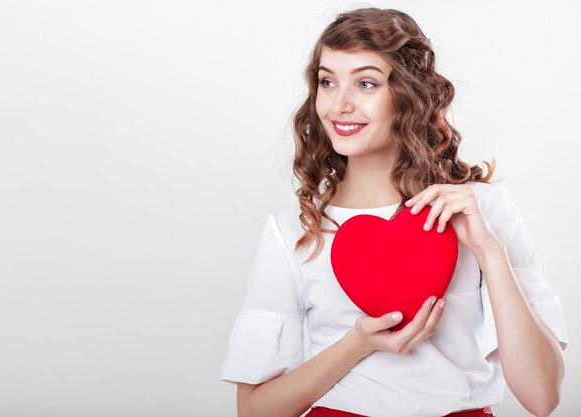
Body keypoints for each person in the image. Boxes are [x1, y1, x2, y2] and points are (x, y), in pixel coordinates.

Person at [220, 7, 568, 417]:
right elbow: (254, 411)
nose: (340, 104)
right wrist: (357, 344)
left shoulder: (481, 210)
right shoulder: (295, 231)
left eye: (366, 83)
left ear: (408, 95)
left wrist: (489, 251)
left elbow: (543, 399)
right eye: (327, 82)